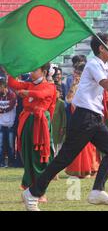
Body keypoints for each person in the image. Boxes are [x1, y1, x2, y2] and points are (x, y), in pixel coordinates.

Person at [22, 33, 108, 211]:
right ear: (101, 48)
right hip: (84, 117)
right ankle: (32, 193)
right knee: (64, 159)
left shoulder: (103, 65)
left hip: (94, 117)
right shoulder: (94, 64)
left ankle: (97, 191)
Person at [7, 64, 56, 194]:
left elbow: (42, 94)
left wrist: (28, 93)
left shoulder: (50, 86)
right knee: (27, 153)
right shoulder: (30, 84)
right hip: (27, 120)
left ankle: (39, 190)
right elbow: (13, 83)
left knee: (38, 155)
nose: (31, 73)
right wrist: (11, 70)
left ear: (44, 72)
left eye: (35, 70)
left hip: (40, 123)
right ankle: (30, 186)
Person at [65, 62, 99, 179]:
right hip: (76, 116)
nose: (76, 75)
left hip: (88, 116)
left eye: (78, 73)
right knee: (79, 145)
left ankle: (90, 169)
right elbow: (68, 100)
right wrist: (73, 85)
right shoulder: (75, 85)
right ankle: (81, 170)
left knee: (89, 146)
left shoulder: (90, 84)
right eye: (75, 72)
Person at [0, 78, 17, 167]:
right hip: (1, 124)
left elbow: (10, 106)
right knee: (1, 145)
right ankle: (1, 162)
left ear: (5, 86)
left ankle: (11, 163)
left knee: (11, 145)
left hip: (10, 124)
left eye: (0, 87)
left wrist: (2, 110)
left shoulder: (12, 95)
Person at [51, 85, 67, 157]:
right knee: (52, 142)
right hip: (51, 126)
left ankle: (57, 158)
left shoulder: (61, 103)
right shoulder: (50, 102)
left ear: (60, 93)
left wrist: (63, 127)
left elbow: (64, 117)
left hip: (59, 127)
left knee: (58, 143)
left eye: (56, 92)